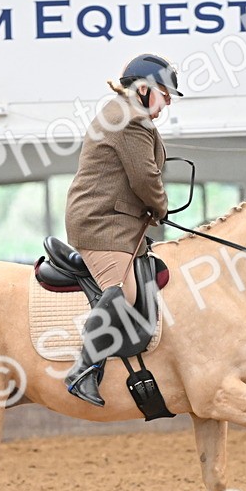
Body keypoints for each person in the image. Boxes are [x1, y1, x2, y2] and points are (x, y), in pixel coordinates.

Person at [63, 54, 183, 407]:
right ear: (144, 89)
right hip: (101, 223)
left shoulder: (126, 113)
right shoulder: (129, 119)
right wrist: (161, 207)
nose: (168, 102)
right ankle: (83, 369)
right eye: (165, 93)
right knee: (123, 292)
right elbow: (145, 177)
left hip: (118, 220)